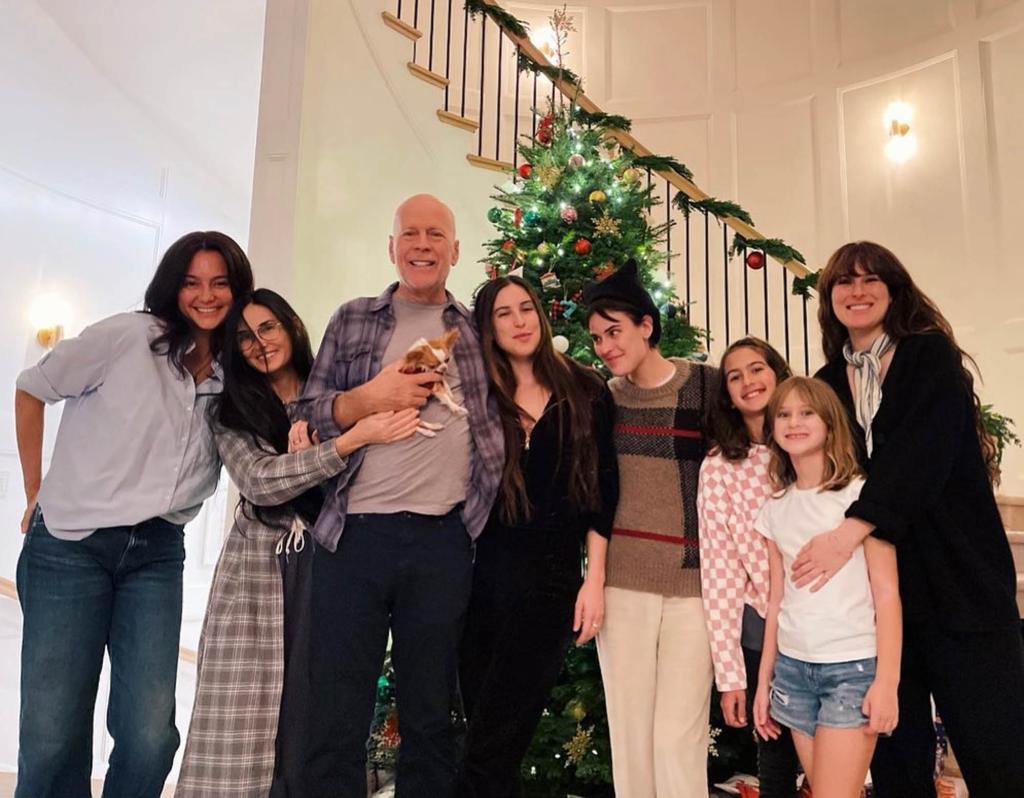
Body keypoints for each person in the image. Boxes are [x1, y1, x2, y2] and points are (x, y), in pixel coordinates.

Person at [14, 231, 253, 798]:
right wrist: (32, 490)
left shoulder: (235, 373)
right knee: (51, 739)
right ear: (172, 287)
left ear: (237, 291)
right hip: (70, 545)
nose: (206, 295)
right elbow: (32, 389)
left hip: (157, 552)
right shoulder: (127, 337)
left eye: (220, 282)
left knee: (150, 738)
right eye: (192, 282)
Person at [797, 241, 1024, 796]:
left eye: (872, 279)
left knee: (998, 752)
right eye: (844, 282)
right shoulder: (827, 382)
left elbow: (922, 456)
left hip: (960, 578)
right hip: (882, 598)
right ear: (829, 298)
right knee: (899, 762)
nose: (858, 290)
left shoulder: (929, 356)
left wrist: (849, 531)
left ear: (894, 291)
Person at [296, 194, 504, 796]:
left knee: (430, 715)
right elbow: (309, 410)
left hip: (442, 541)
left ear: (455, 251)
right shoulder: (353, 318)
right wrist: (372, 398)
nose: (421, 244)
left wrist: (469, 526)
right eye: (409, 234)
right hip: (351, 537)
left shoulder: (476, 332)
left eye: (435, 234)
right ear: (391, 248)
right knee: (335, 709)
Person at [176, 289, 420, 796]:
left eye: (267, 328)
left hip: (333, 563)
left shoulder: (333, 396)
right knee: (245, 714)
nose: (259, 343)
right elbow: (262, 481)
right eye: (243, 336)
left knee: (318, 710)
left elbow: (368, 479)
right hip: (258, 573)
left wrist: (336, 446)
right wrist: (349, 442)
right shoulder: (230, 410)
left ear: (290, 326)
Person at [457, 276, 618, 797]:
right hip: (478, 581)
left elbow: (602, 492)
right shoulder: (475, 394)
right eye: (504, 313)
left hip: (551, 583)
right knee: (485, 734)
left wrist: (594, 580)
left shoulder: (586, 388)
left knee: (498, 733)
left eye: (526, 308)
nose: (519, 321)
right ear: (488, 327)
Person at [583, 261, 717, 798]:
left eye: (614, 331)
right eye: (596, 337)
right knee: (631, 736)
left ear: (646, 324)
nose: (606, 346)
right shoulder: (603, 400)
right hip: (623, 585)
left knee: (677, 740)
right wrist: (593, 578)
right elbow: (593, 494)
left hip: (697, 584)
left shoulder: (707, 386)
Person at [751, 376, 901, 798]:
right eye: (783, 414)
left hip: (850, 670)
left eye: (806, 413)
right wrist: (765, 683)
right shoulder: (775, 509)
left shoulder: (861, 498)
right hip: (794, 671)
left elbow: (887, 594)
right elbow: (776, 600)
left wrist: (887, 682)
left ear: (830, 423)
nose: (793, 422)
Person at [698, 337, 800, 797]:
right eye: (734, 376)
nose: (747, 381)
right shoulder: (720, 467)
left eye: (756, 369)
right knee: (775, 754)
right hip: (763, 625)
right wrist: (731, 675)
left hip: (828, 620)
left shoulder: (811, 443)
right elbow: (718, 572)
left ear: (778, 374)